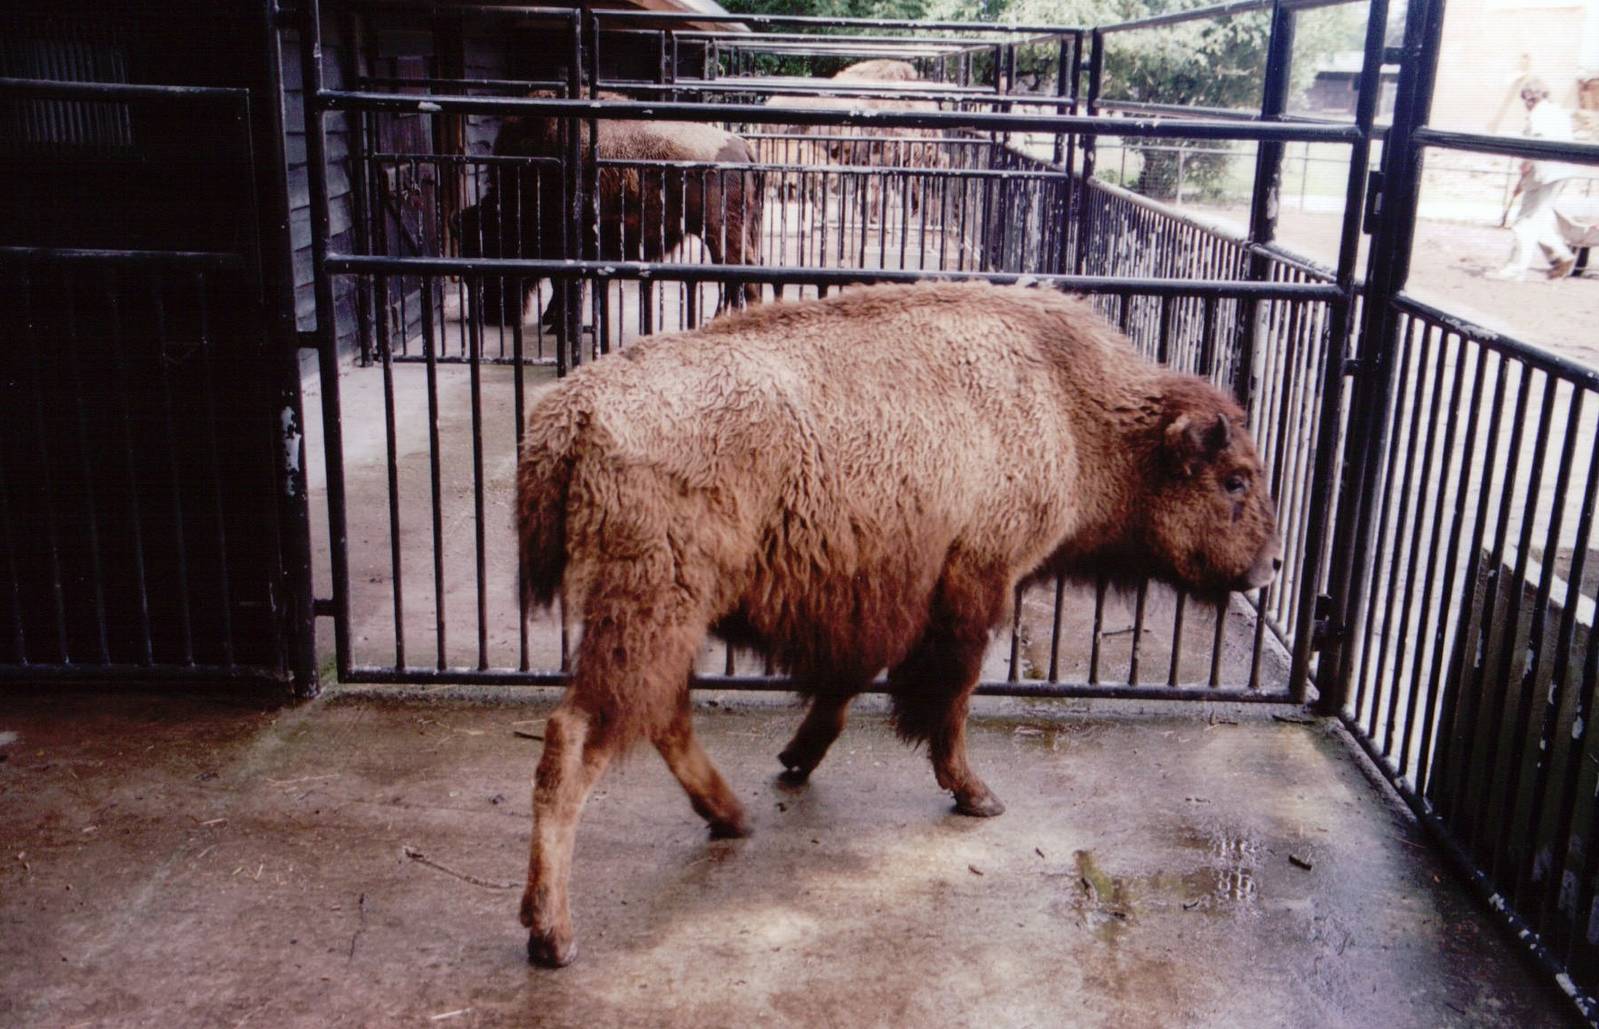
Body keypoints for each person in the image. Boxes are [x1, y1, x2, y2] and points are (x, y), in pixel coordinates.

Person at [1488, 77, 1580, 281]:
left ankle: (1515, 270)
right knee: (1538, 218)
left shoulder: (1538, 114)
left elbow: (1537, 141)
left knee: (1525, 222)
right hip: (1561, 171)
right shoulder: (1558, 112)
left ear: (1531, 97)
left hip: (1543, 172)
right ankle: (1561, 255)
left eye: (1528, 99)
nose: (1527, 103)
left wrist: (1526, 164)